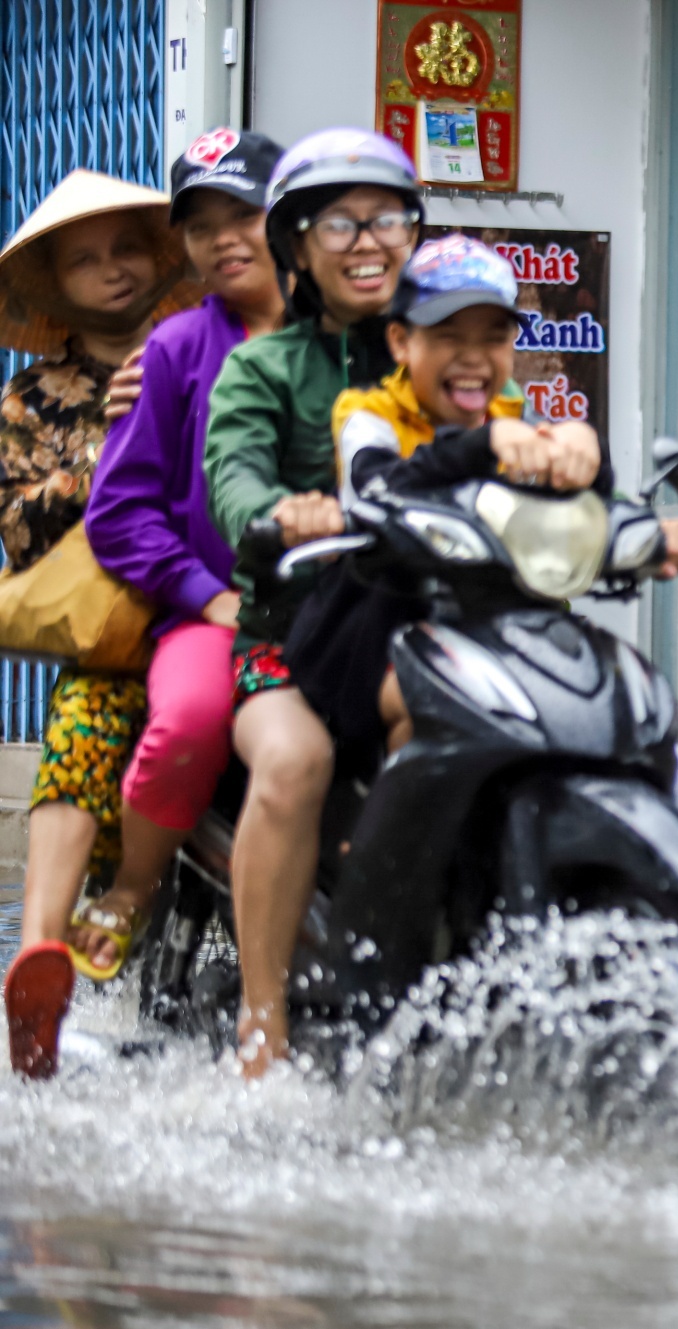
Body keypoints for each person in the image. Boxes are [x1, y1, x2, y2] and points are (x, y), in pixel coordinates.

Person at [203, 128, 423, 1078]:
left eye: (388, 218)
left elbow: (502, 428)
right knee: (293, 761)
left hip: (415, 630)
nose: (368, 239)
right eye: (340, 221)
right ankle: (264, 1030)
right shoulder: (261, 369)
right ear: (295, 246)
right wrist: (274, 513)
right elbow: (234, 476)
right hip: (288, 639)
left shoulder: (434, 349)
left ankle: (428, 967)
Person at [74, 131, 288, 993]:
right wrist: (204, 596)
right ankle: (132, 885)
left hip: (340, 606)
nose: (225, 238)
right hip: (212, 615)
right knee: (188, 721)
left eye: (245, 213)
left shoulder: (356, 339)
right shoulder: (172, 351)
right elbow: (117, 513)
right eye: (202, 226)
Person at [0, 170, 199, 1078]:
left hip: (217, 607)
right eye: (87, 259)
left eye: (127, 248)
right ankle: (41, 960)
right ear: (56, 285)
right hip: (119, 637)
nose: (113, 270)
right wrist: (107, 449)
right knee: (83, 719)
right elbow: (18, 525)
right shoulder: (28, 400)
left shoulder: (208, 350)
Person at [287, 232, 610, 764]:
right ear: (400, 342)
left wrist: (588, 455)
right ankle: (394, 847)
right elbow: (378, 485)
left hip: (502, 630)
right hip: (377, 639)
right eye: (447, 336)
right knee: (433, 707)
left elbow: (579, 496)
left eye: (493, 338)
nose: (472, 358)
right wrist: (483, 445)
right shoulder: (368, 414)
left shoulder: (515, 416)